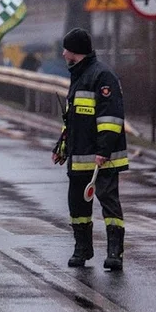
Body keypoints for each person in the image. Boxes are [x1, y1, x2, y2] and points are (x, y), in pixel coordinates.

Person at [52, 28, 128, 271]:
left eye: (67, 50)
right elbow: (72, 122)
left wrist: (103, 151)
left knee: (109, 203)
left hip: (101, 159)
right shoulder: (78, 75)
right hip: (79, 157)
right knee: (77, 205)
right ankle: (82, 249)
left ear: (76, 52)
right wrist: (62, 148)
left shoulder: (103, 77)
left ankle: (115, 252)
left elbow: (111, 118)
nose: (63, 54)